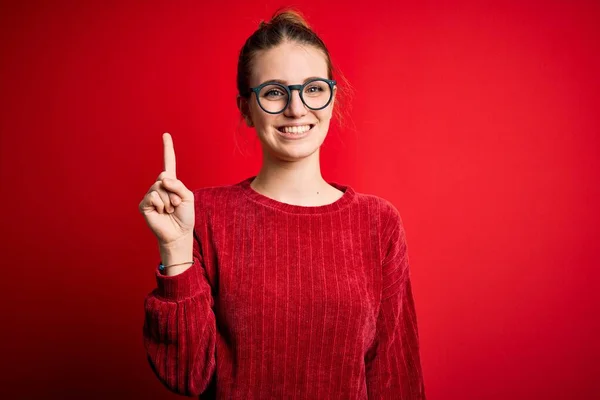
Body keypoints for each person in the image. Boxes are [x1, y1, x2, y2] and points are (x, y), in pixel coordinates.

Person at [139, 9, 426, 399]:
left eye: (313, 88)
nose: (296, 108)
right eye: (274, 92)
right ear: (245, 108)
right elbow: (188, 374)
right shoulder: (202, 216)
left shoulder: (379, 222)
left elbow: (396, 379)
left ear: (331, 96)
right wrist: (175, 251)